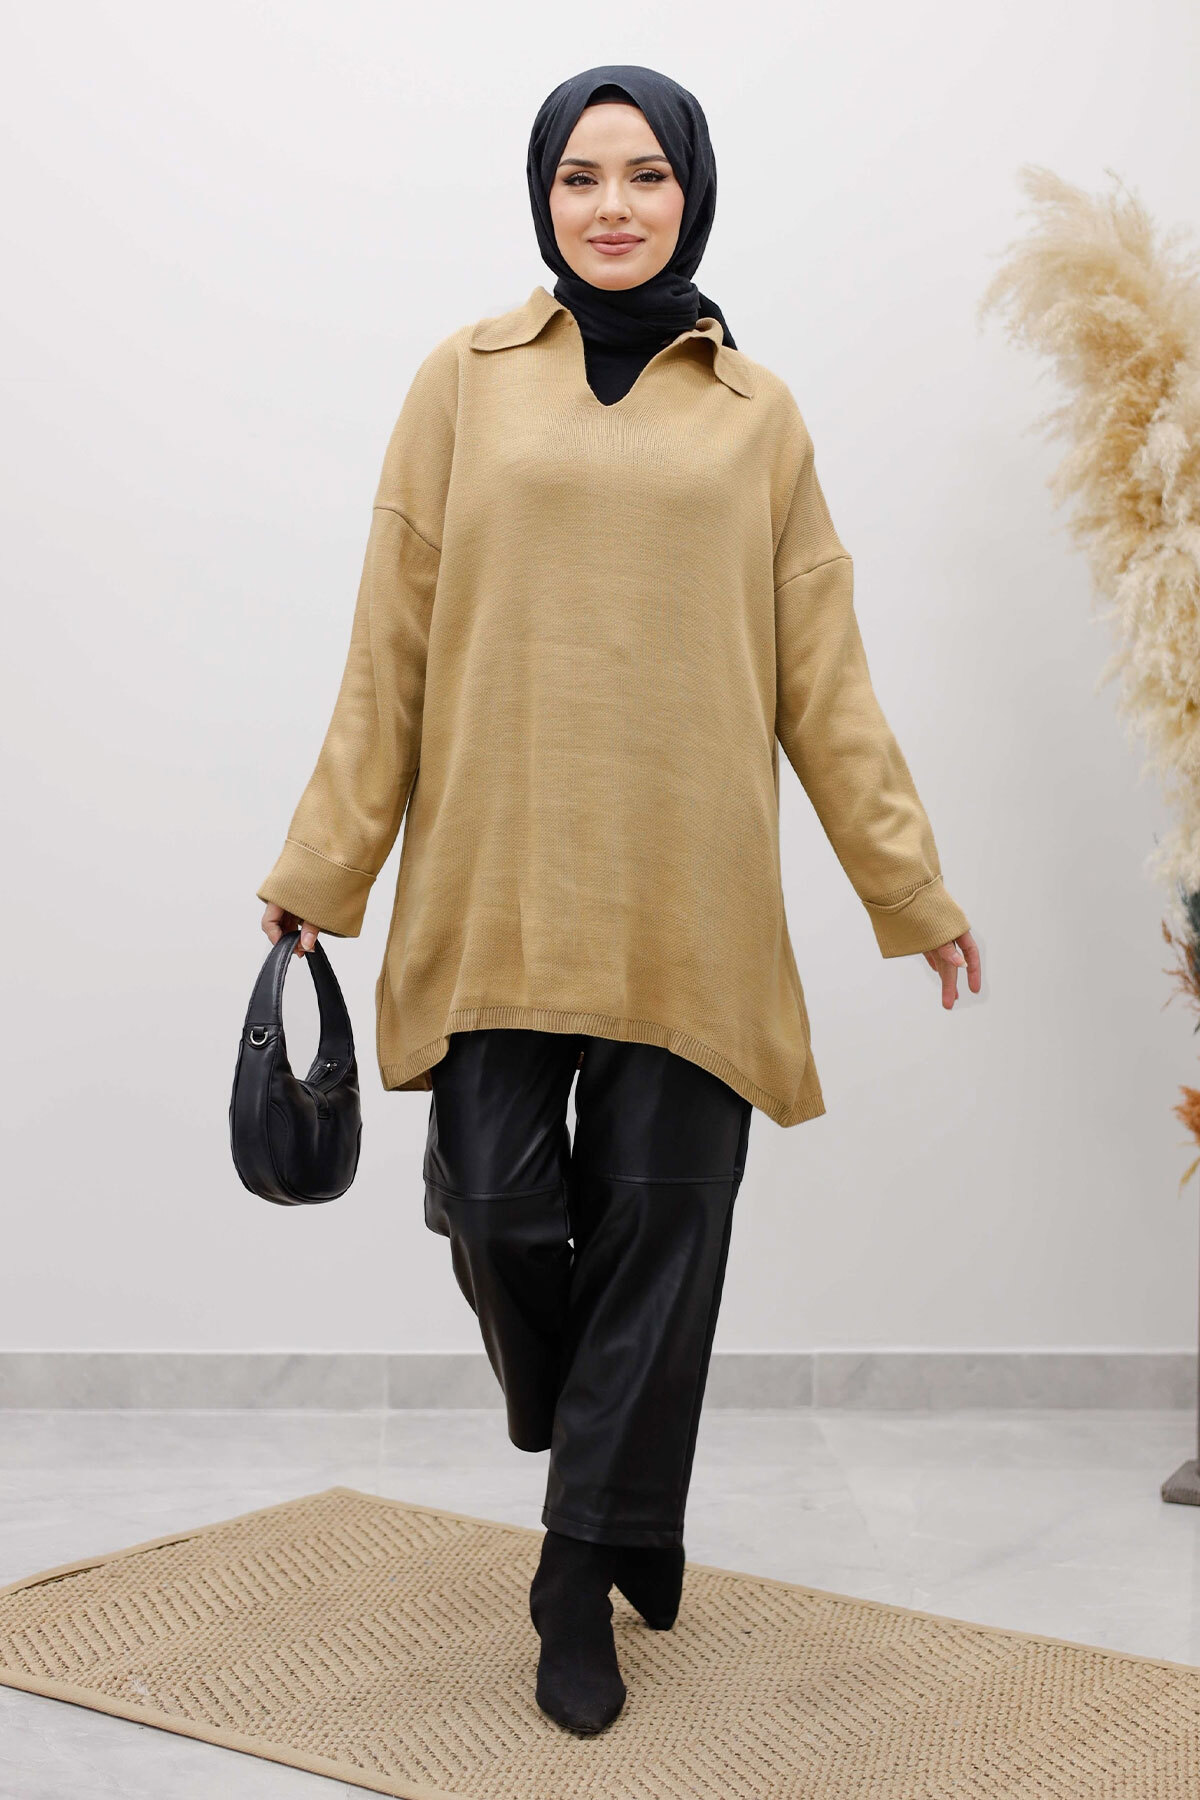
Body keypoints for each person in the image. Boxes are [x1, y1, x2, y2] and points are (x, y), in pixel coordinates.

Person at [257, 63, 981, 1736]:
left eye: (645, 175)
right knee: (498, 1209)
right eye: (581, 175)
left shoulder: (758, 417)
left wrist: (912, 886)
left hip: (691, 901)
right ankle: (611, 1454)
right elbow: (387, 649)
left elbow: (825, 679)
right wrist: (322, 869)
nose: (612, 205)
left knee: (662, 1226)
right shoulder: (462, 382)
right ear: (543, 196)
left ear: (691, 194)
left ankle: (580, 1565)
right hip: (497, 883)